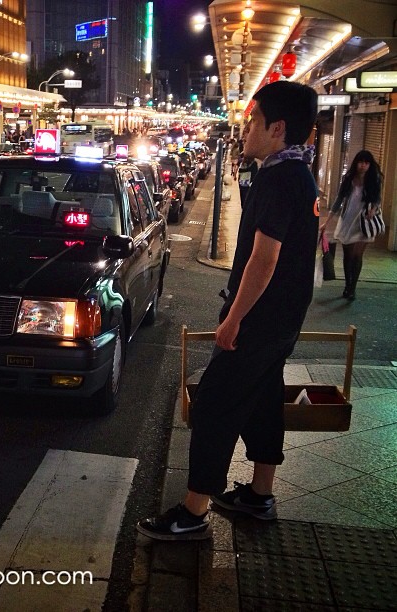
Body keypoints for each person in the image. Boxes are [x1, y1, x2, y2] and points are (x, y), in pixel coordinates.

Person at [136, 80, 319, 541]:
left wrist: (234, 317)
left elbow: (265, 257)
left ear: (277, 128)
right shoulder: (301, 173)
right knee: (262, 398)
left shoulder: (278, 178)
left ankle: (193, 512)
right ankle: (259, 494)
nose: (245, 129)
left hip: (259, 318)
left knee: (215, 402)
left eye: (253, 121)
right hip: (284, 316)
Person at [319, 150, 383, 300]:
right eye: (361, 162)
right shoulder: (348, 178)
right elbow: (338, 200)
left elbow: (377, 199)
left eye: (366, 163)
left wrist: (373, 209)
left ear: (370, 164)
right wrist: (327, 222)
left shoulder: (374, 179)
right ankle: (347, 285)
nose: (363, 165)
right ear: (356, 163)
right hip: (348, 220)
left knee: (357, 255)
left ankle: (352, 288)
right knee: (348, 255)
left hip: (364, 222)